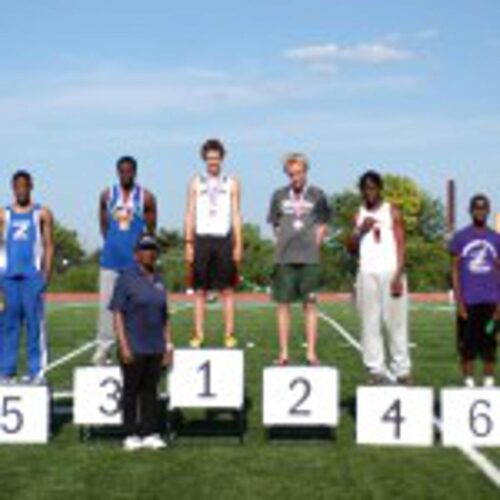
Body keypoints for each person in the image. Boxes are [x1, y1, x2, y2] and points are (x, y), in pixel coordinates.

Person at [109, 234, 173, 451]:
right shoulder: (126, 278)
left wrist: (168, 344)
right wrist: (124, 345)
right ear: (136, 254)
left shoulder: (160, 279)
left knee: (150, 391)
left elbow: (165, 315)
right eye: (144, 249)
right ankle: (129, 433)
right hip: (134, 344)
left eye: (152, 249)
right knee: (131, 391)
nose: (149, 252)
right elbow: (117, 313)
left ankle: (150, 432)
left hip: (156, 346)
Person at [347, 170, 411, 385]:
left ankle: (401, 369)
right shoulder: (358, 214)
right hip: (366, 272)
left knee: (396, 323)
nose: (369, 192)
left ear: (380, 188)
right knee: (369, 324)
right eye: (366, 188)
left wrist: (398, 275)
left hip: (390, 271)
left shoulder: (392, 211)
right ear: (361, 191)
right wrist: (359, 231)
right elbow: (351, 248)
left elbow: (402, 245)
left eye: (373, 187)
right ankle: (376, 369)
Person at [267, 153, 331, 365]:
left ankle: (311, 353)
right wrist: (284, 242)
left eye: (299, 173)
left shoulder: (317, 194)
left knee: (310, 305)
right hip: (284, 258)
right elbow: (275, 224)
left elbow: (323, 223)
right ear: (287, 174)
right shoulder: (278, 195)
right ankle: (284, 353)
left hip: (309, 258)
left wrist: (314, 244)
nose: (296, 178)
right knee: (283, 305)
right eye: (291, 174)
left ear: (306, 172)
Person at [93, 156, 157, 365]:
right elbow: (103, 224)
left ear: (135, 172)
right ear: (117, 172)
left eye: (129, 171)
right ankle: (104, 349)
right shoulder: (107, 195)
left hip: (134, 263)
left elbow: (150, 230)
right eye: (122, 171)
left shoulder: (146, 197)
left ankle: (136, 346)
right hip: (110, 260)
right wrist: (113, 243)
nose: (125, 175)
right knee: (106, 307)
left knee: (136, 307)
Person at [184, 139, 243, 348]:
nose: (213, 162)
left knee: (227, 290)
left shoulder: (231, 182)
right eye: (209, 158)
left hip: (224, 240)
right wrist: (188, 243)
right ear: (204, 159)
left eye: (216, 158)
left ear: (222, 158)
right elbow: (190, 213)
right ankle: (198, 334)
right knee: (199, 290)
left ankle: (229, 334)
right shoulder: (195, 182)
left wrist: (238, 243)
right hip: (201, 239)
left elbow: (236, 214)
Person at [0, 171, 54, 384]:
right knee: (8, 325)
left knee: (35, 325)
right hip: (8, 278)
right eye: (17, 186)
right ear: (13, 188)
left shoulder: (42, 213)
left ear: (31, 186)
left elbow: (49, 245)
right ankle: (6, 371)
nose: (21, 190)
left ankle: (36, 371)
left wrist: (45, 275)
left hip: (32, 277)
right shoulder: (3, 214)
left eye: (25, 185)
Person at [449, 194, 500, 388]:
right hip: (468, 301)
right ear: (470, 211)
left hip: (491, 299)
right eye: (476, 208)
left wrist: (499, 304)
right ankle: (468, 382)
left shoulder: (496, 238)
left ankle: (488, 381)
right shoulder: (460, 237)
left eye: (483, 208)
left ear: (488, 210)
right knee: (466, 345)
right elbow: (454, 270)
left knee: (490, 344)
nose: (480, 211)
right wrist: (459, 301)